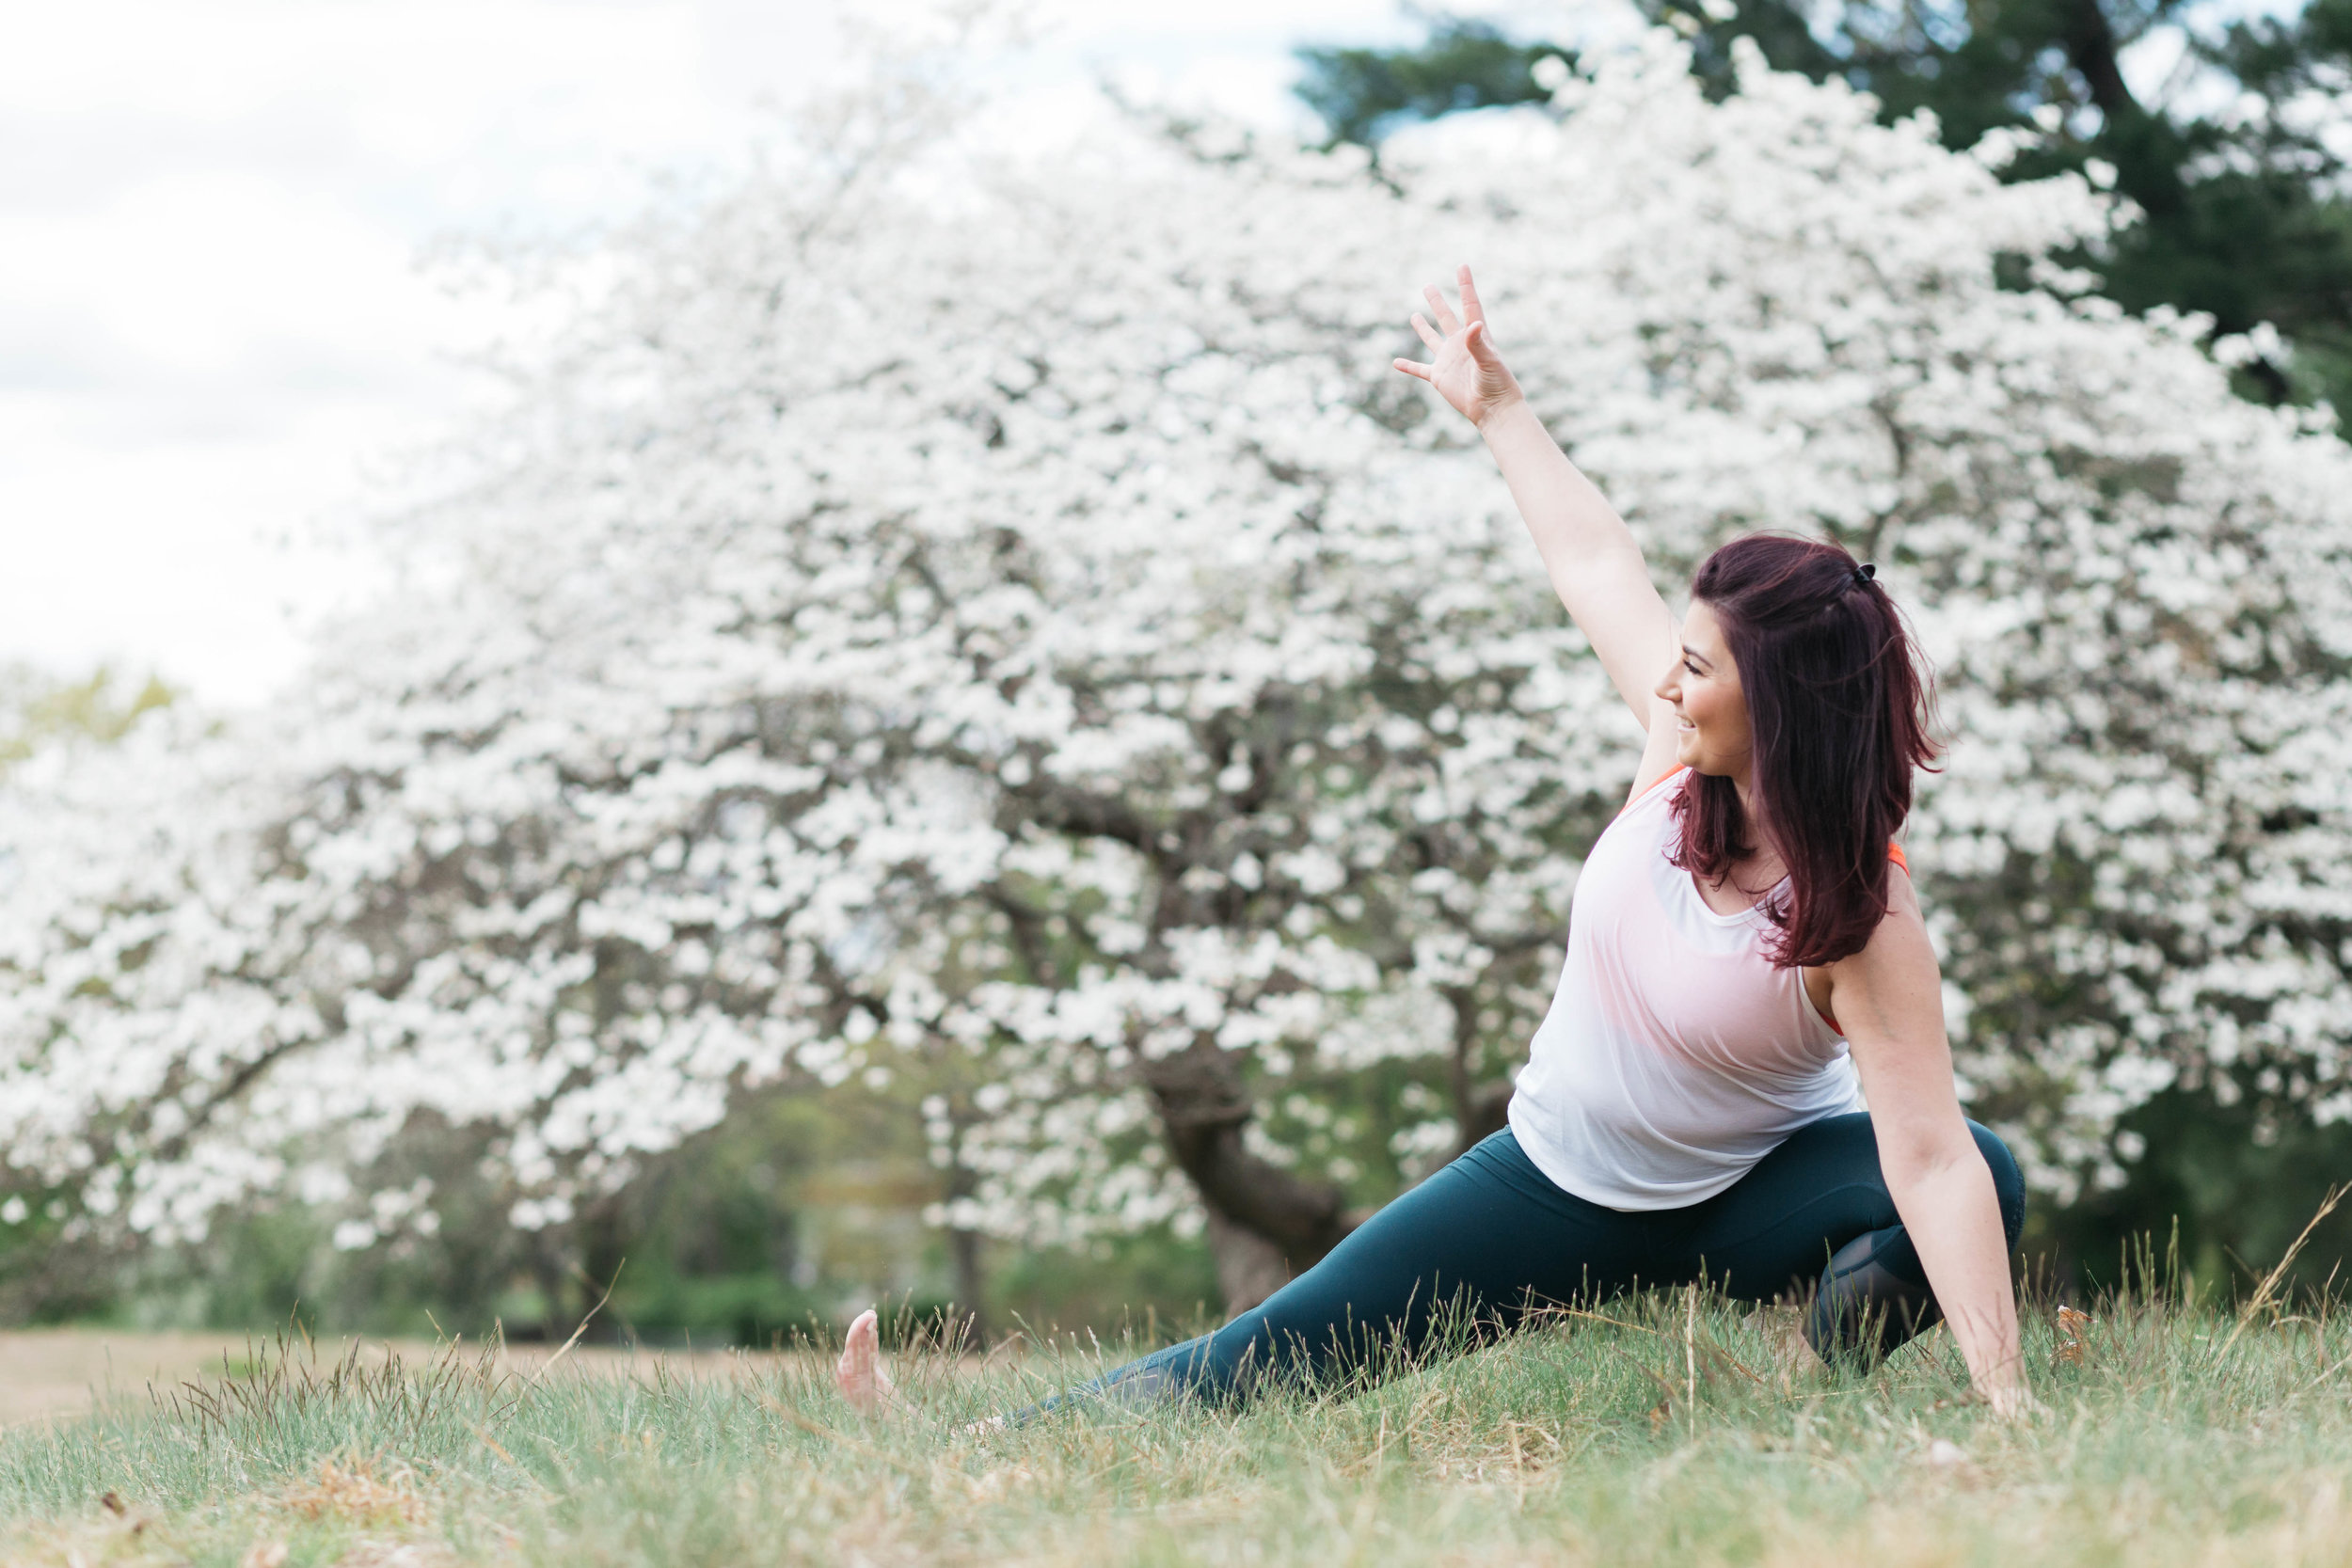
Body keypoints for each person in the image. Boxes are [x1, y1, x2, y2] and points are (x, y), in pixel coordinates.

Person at [835, 265, 2034, 1423]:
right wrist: (1502, 413)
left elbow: (1926, 1158)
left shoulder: (1861, 916)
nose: (1670, 677)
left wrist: (2005, 1402)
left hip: (1747, 1201)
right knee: (1261, 1359)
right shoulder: (1677, 756)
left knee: (1988, 1165)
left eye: (1699, 662)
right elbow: (1590, 563)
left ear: (1773, 700)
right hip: (1554, 1179)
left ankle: (1807, 1402)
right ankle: (971, 1436)